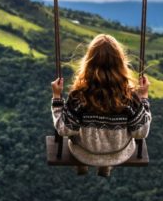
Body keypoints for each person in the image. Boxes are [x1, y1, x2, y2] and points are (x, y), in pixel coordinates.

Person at [51, 34, 151, 178]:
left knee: (77, 132)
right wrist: (144, 97)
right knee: (110, 136)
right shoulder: (129, 97)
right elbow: (141, 132)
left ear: (88, 62)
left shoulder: (79, 96)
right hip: (119, 153)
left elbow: (64, 130)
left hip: (84, 152)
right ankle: (106, 165)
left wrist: (57, 98)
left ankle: (82, 164)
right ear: (120, 62)